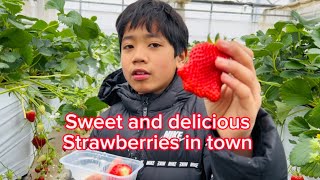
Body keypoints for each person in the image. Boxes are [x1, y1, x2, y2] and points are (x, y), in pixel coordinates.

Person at [90, 0, 287, 179]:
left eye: (154, 44)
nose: (138, 56)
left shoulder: (208, 118)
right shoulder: (106, 122)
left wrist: (236, 148)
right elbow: (83, 171)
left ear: (181, 57)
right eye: (129, 46)